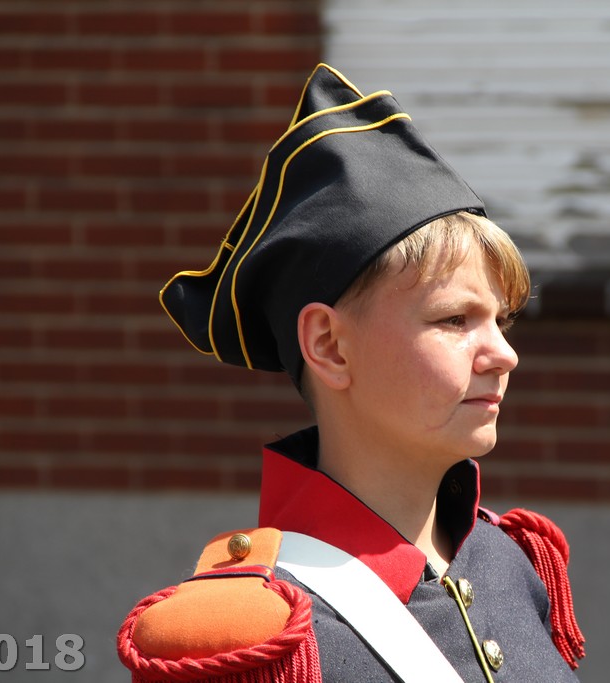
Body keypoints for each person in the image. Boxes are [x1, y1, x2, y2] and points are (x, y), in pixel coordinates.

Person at [117, 63, 585, 683]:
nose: (504, 354)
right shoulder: (255, 636)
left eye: (501, 320)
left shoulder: (511, 564)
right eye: (454, 319)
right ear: (330, 346)